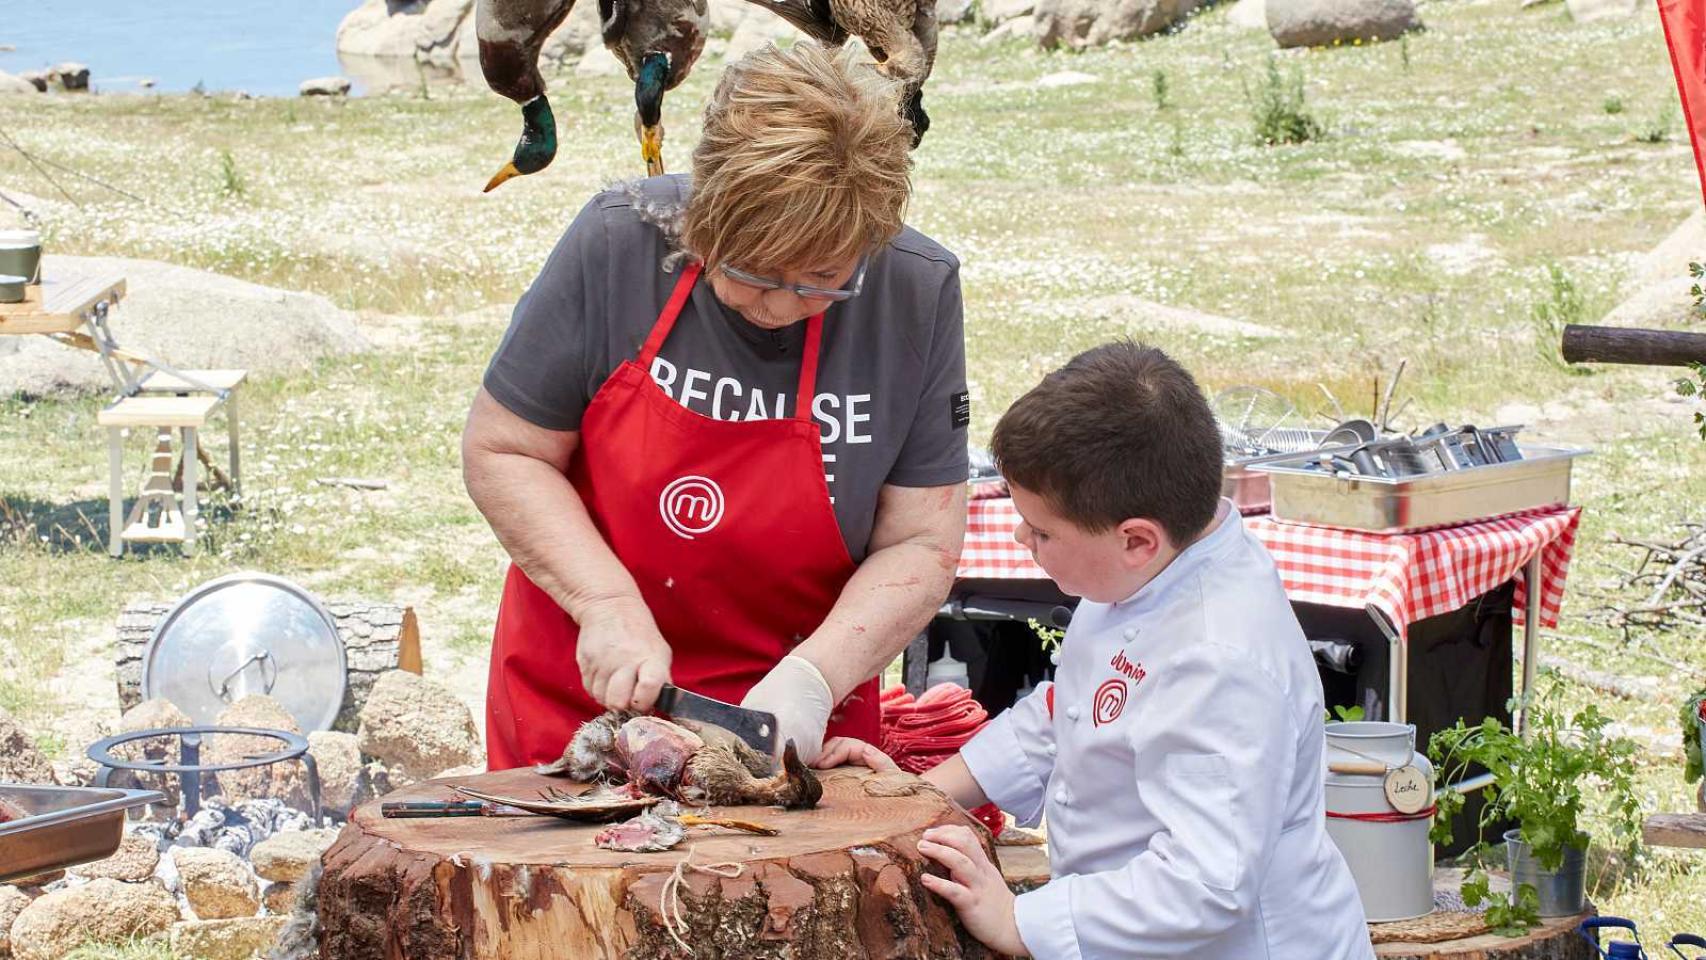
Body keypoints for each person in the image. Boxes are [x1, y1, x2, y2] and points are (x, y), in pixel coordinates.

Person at [461, 42, 969, 771]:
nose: (780, 306)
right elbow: (504, 451)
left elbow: (922, 542)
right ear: (703, 218)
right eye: (751, 271)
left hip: (788, 726)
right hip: (588, 703)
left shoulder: (914, 293)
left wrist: (815, 678)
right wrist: (602, 601)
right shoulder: (618, 241)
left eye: (821, 279)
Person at [818, 342, 1374, 959]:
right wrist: (925, 793)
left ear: (1136, 538)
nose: (1018, 535)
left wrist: (1022, 922)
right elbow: (1075, 712)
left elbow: (1204, 884)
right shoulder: (1146, 571)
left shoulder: (1219, 659)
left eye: (1043, 531)